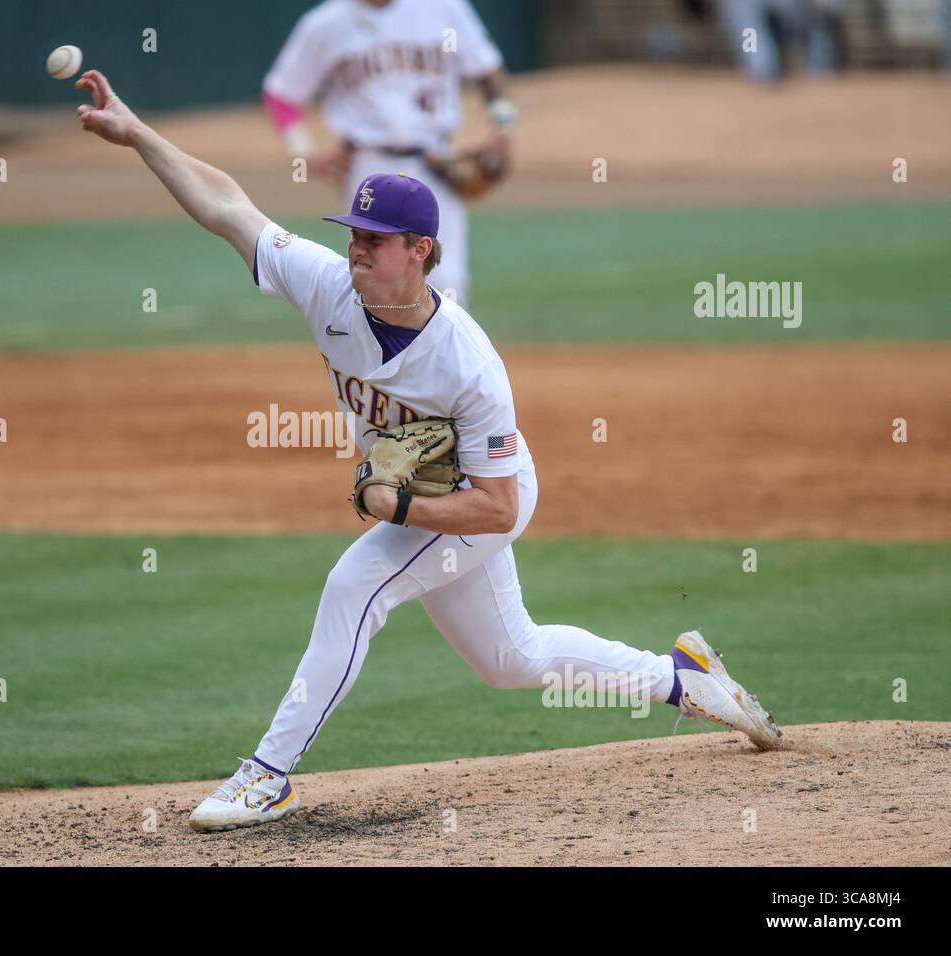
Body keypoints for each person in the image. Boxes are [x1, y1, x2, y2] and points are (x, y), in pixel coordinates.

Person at [73, 69, 782, 835]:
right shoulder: (325, 287)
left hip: (483, 501)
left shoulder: (469, 364)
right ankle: (683, 678)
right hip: (437, 501)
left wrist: (401, 506)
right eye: (352, 235)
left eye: (374, 241)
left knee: (356, 587)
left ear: (420, 251)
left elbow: (500, 505)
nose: (355, 251)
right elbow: (227, 207)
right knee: (510, 659)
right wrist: (139, 133)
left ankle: (268, 775)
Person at [262, 0, 517, 306]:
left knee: (447, 281)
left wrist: (503, 130)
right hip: (368, 164)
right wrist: (302, 151)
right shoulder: (326, 23)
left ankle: (439, 354)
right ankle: (378, 353)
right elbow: (281, 93)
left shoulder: (444, 8)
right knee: (376, 276)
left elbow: (488, 71)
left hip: (437, 162)